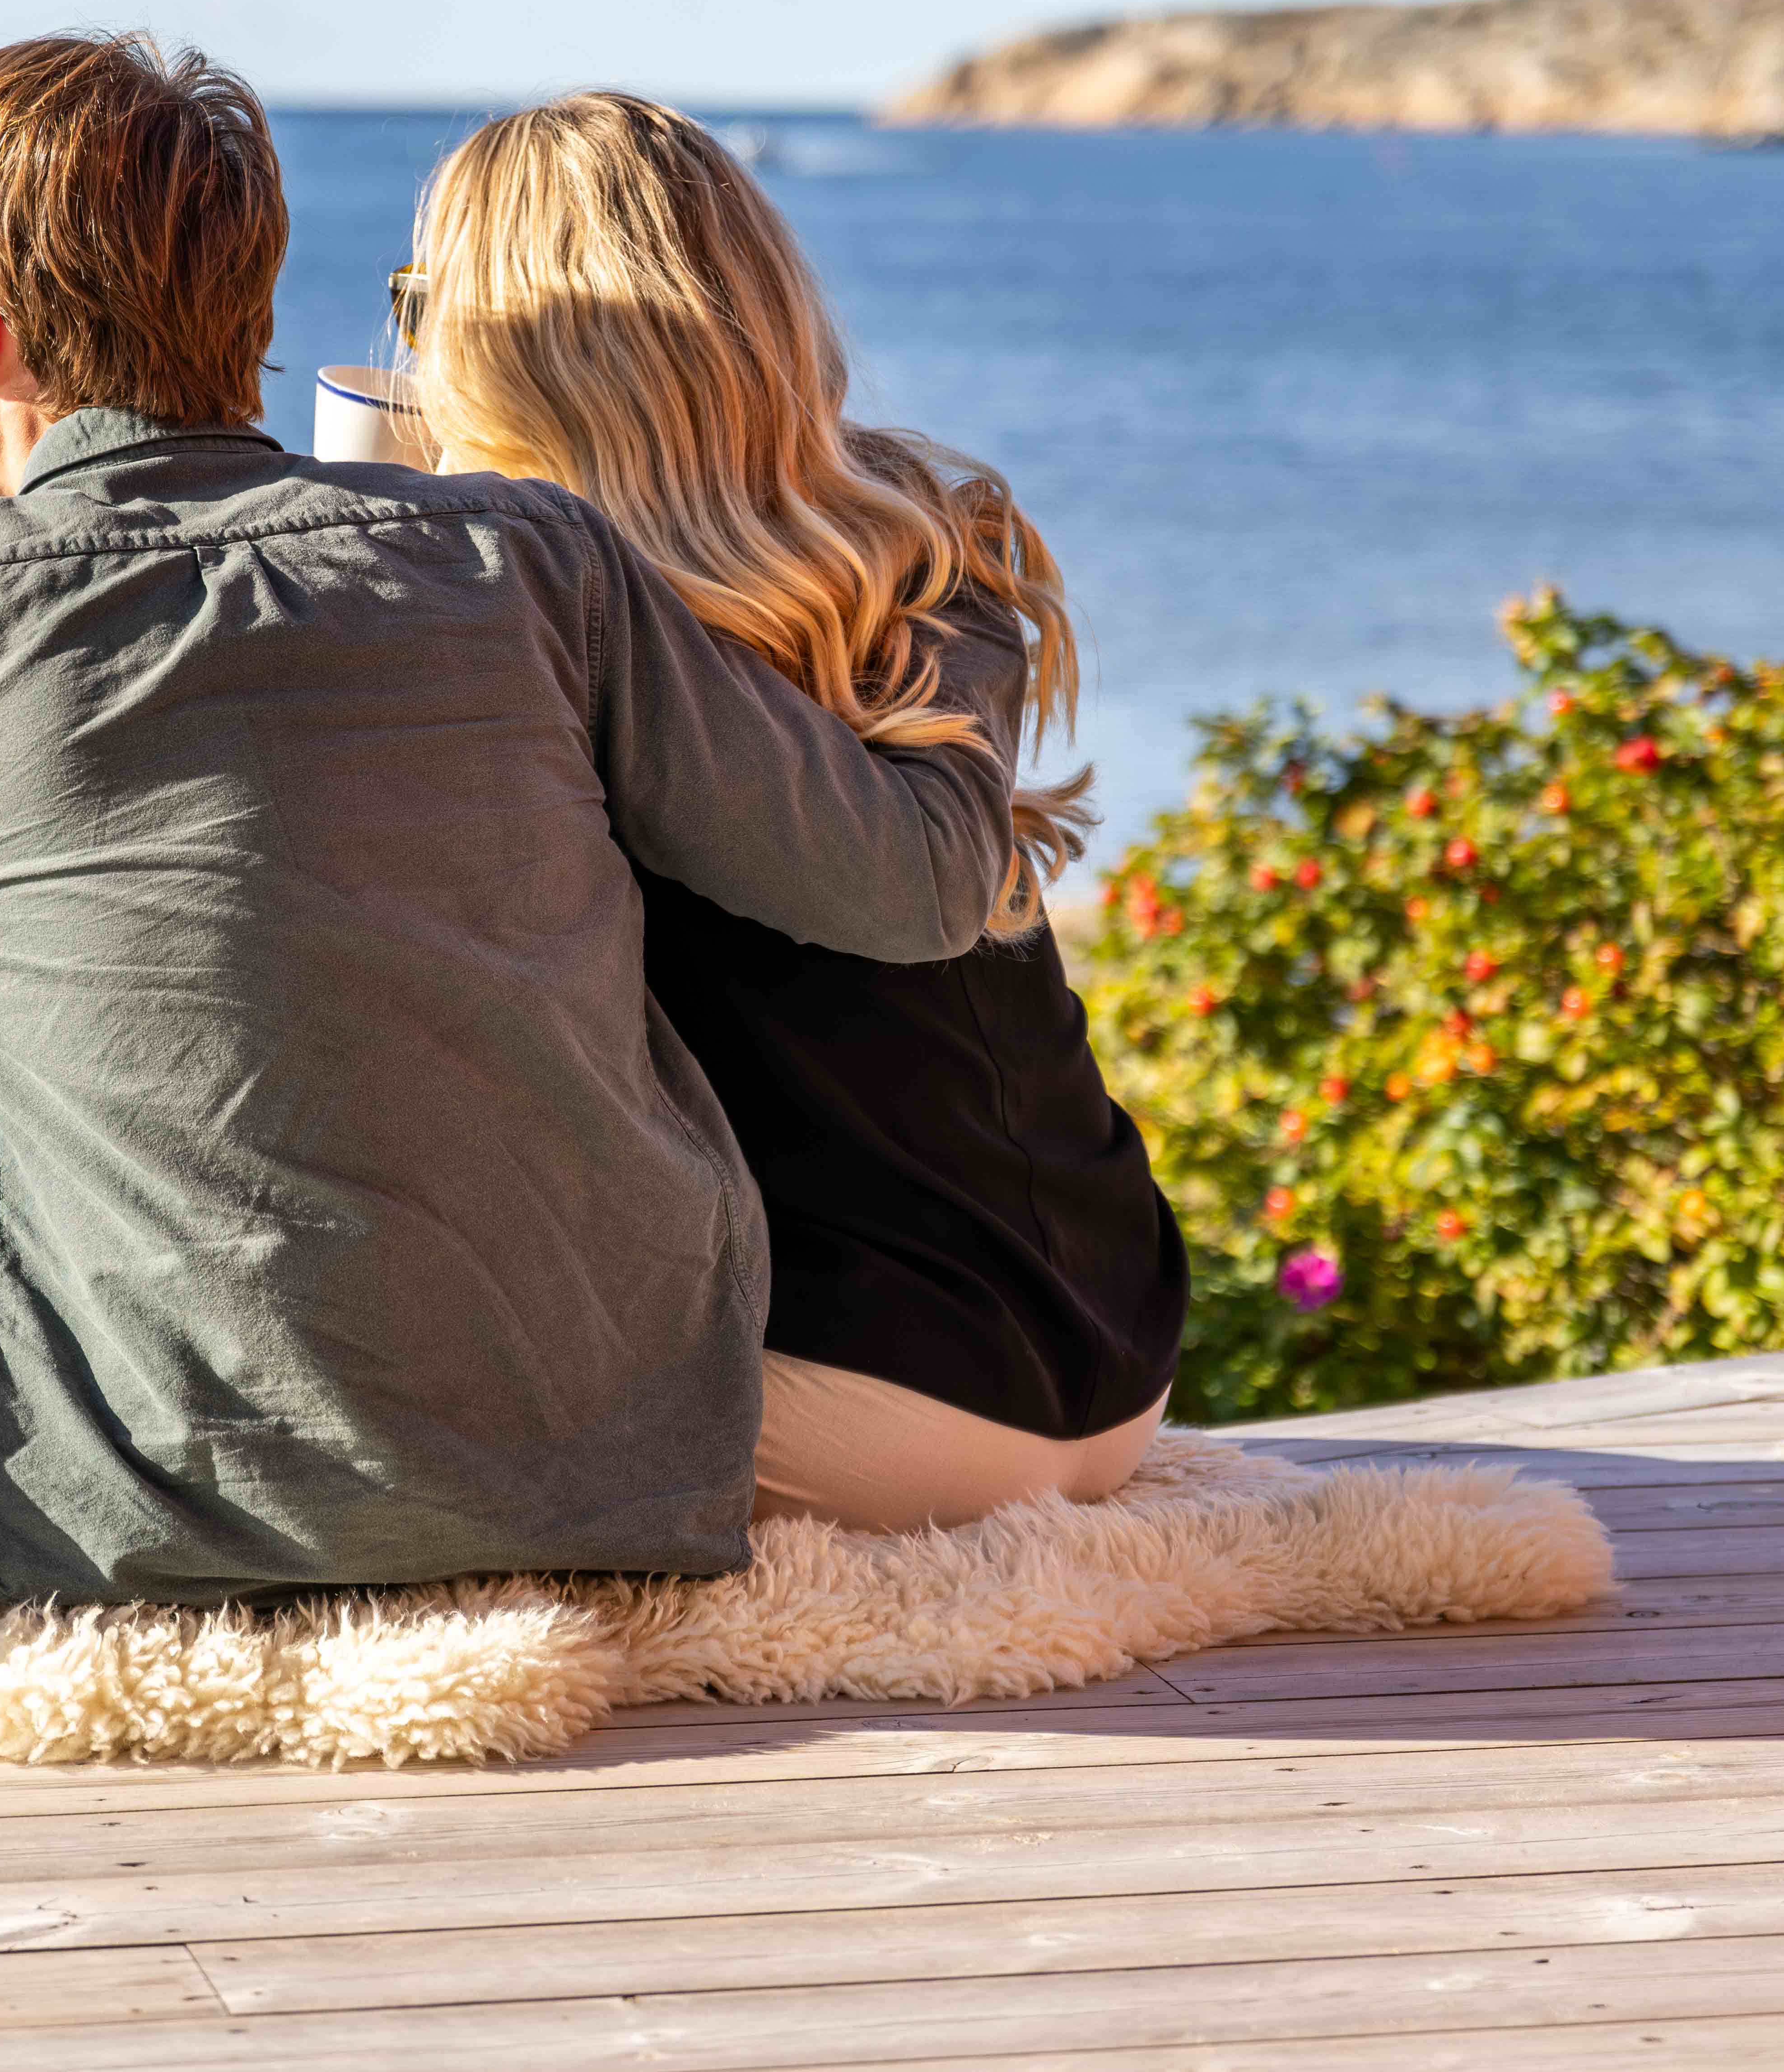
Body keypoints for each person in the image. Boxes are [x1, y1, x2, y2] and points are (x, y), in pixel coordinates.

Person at [0, 34, 1020, 1641]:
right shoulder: (536, 564)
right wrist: (934, 564)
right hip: (609, 1473)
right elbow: (896, 883)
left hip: (144, 1501)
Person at [396, 91, 1190, 1532]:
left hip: (864, 1387)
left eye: (421, 304)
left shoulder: (537, 618)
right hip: (1115, 1346)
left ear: (498, 354)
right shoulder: (918, 541)